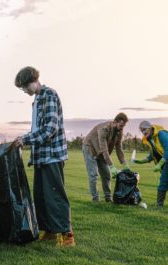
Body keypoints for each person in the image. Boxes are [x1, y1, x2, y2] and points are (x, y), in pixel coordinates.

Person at [13, 66, 75, 247]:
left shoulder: (49, 95)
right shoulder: (37, 100)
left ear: (32, 80)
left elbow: (50, 128)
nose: (24, 91)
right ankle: (48, 231)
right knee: (41, 196)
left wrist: (25, 140)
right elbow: (37, 129)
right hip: (41, 156)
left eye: (24, 87)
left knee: (55, 195)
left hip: (52, 155)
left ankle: (67, 234)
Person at [82, 113, 129, 202]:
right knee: (93, 174)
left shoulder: (119, 131)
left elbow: (119, 148)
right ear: (115, 122)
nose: (122, 128)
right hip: (90, 148)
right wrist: (111, 166)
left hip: (101, 151)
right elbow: (104, 149)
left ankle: (108, 198)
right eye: (121, 125)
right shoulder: (104, 128)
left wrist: (124, 164)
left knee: (107, 174)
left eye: (124, 126)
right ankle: (95, 199)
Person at [133, 120, 168, 207]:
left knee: (163, 182)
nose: (143, 132)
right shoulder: (150, 140)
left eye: (145, 129)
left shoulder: (161, 134)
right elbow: (152, 155)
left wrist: (160, 164)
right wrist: (140, 161)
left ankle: (159, 206)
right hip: (165, 161)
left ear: (150, 128)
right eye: (142, 131)